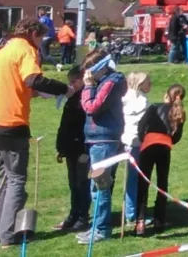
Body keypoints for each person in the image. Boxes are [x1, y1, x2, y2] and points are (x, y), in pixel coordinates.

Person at [0, 18, 72, 248]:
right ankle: (8, 236)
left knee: (4, 179)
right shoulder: (26, 49)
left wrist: (35, 94)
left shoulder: (2, 52)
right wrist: (64, 90)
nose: (40, 44)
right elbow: (33, 79)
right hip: (11, 124)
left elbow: (9, 85)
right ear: (32, 33)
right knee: (17, 180)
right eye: (40, 38)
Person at [78, 48, 127, 244]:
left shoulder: (109, 83)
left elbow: (91, 107)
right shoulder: (104, 82)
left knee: (99, 187)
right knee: (97, 186)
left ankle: (102, 229)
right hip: (98, 139)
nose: (86, 76)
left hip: (104, 140)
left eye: (89, 71)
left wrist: (88, 87)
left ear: (100, 68)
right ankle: (97, 227)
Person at [135, 84, 187, 235]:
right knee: (162, 183)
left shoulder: (153, 107)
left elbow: (141, 125)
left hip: (149, 145)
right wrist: (168, 140)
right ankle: (159, 220)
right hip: (164, 147)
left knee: (143, 182)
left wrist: (142, 138)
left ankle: (140, 221)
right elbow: (177, 136)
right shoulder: (180, 113)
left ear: (166, 95)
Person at [54, 65, 90, 232]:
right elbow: (65, 125)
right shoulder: (72, 98)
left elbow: (87, 126)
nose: (71, 84)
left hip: (82, 148)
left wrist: (85, 150)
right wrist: (61, 147)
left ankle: (83, 217)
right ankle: (73, 214)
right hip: (70, 148)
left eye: (73, 81)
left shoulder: (87, 97)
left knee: (82, 183)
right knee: (73, 184)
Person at [121, 72, 151, 225]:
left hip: (126, 142)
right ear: (141, 84)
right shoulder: (141, 101)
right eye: (148, 82)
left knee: (131, 179)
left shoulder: (124, 97)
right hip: (136, 143)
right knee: (134, 179)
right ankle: (131, 215)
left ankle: (131, 212)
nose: (150, 85)